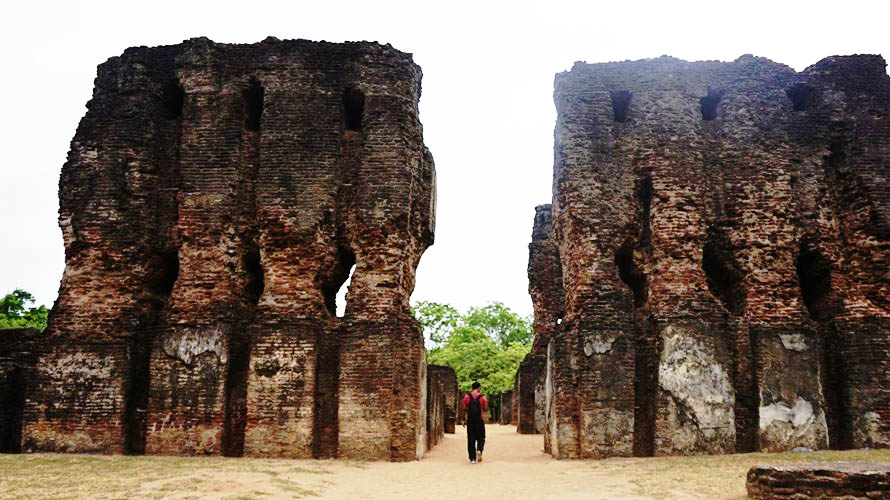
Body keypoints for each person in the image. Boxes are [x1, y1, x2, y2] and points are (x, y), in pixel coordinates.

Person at [461, 381, 488, 464]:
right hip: (479, 421)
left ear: (472, 388)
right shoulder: (482, 398)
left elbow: (464, 409)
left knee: (471, 439)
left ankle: (472, 458)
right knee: (481, 437)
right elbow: (486, 408)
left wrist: (463, 420)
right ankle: (479, 450)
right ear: (479, 387)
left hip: (470, 421)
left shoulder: (466, 397)